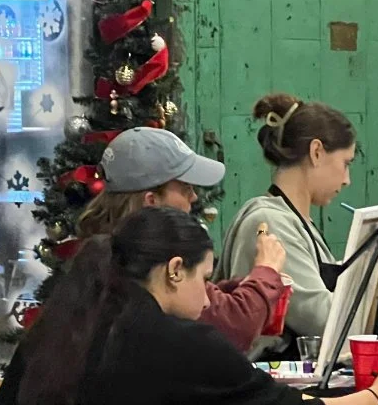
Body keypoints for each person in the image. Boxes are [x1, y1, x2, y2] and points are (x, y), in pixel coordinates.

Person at [0, 207, 378, 405]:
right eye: (205, 276)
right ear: (175, 270)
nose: (208, 292)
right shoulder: (179, 343)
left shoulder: (60, 325)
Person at [77, 127, 286, 352]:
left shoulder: (98, 254)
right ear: (152, 201)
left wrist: (230, 288)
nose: (194, 196)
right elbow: (235, 327)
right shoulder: (151, 263)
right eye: (185, 187)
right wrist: (266, 271)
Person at [216, 93, 356, 358]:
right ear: (316, 152)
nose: (347, 179)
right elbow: (322, 319)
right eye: (345, 163)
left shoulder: (298, 222)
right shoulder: (270, 223)